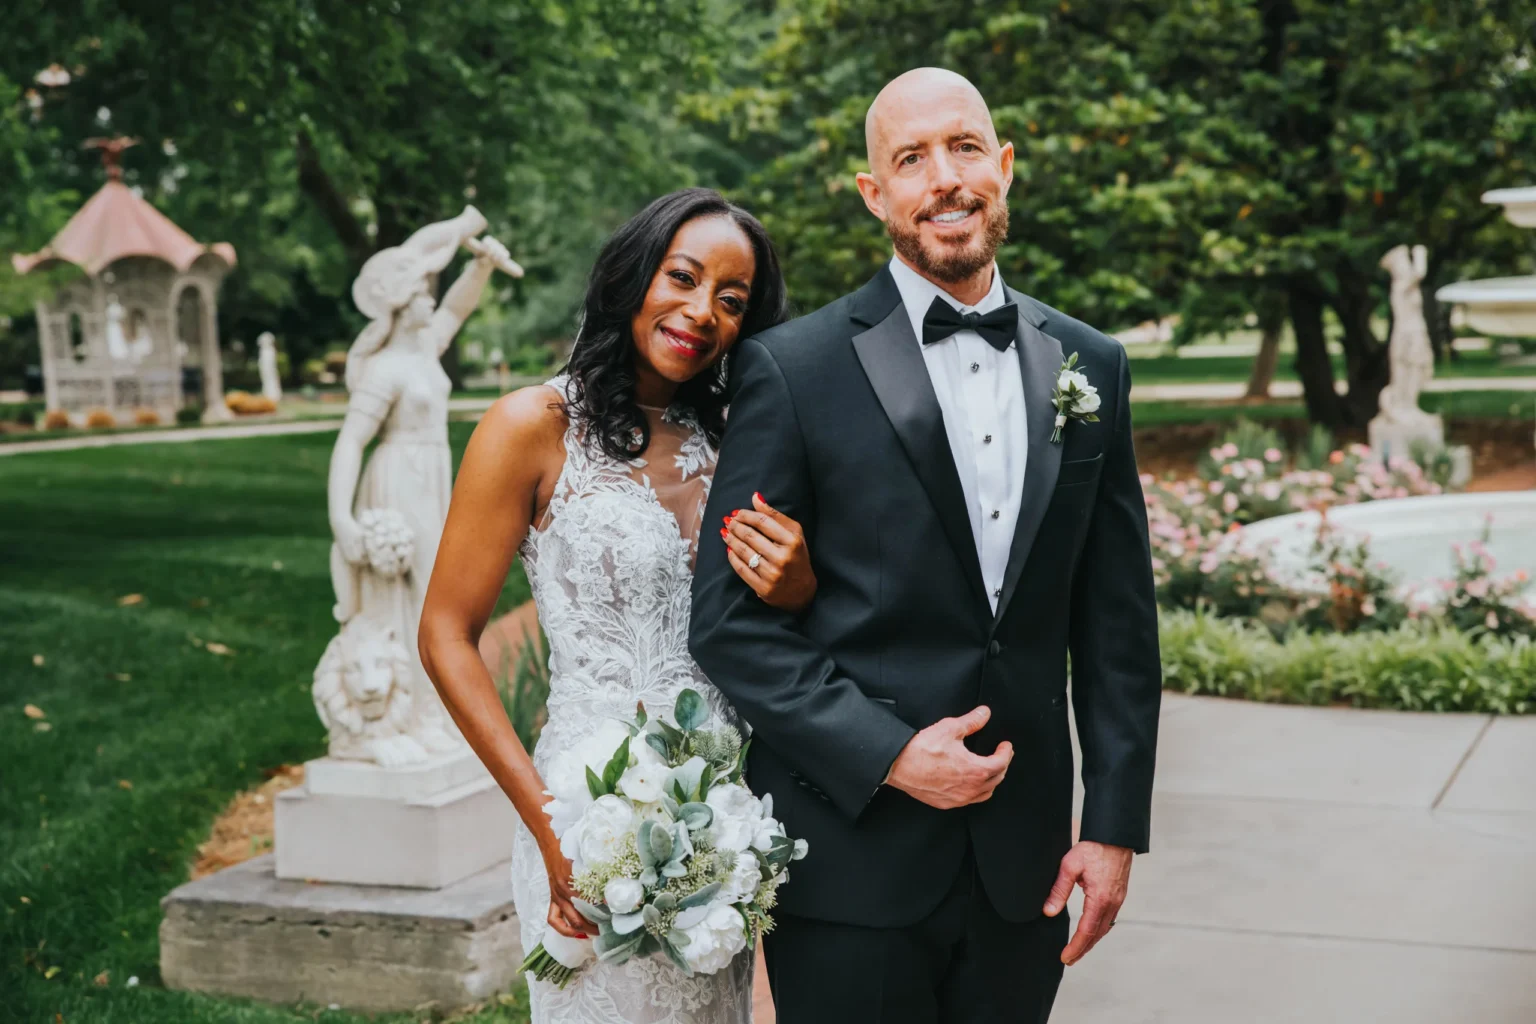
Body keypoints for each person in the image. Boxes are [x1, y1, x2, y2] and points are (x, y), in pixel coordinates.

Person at [690, 68, 1162, 1023]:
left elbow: (1116, 629)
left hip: (1024, 872)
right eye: (911, 159)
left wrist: (1113, 828)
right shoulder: (790, 367)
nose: (944, 178)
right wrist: (892, 753)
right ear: (876, 195)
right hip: (849, 863)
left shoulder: (1092, 365)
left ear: (1006, 166)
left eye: (965, 148)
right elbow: (730, 626)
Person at [418, 189, 812, 1023]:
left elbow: (787, 626)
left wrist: (799, 584)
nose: (701, 311)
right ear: (636, 274)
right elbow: (445, 636)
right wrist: (551, 826)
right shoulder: (533, 425)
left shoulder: (746, 439)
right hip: (584, 818)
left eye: (732, 300)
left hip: (724, 830)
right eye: (683, 277)